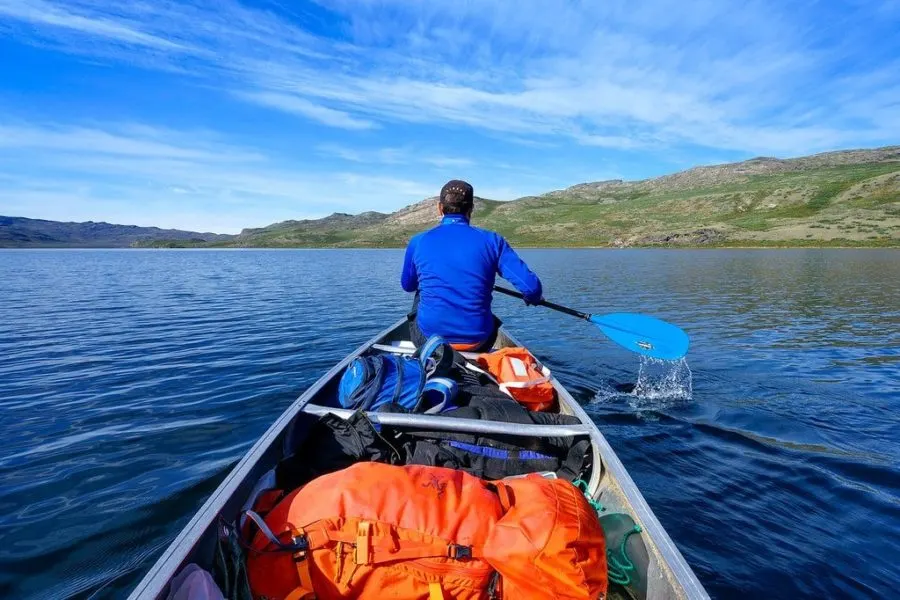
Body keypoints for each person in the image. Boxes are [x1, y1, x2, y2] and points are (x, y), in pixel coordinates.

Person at [401, 179, 543, 351]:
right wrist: (532, 297)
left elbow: (408, 286)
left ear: (440, 208)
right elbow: (532, 288)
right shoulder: (492, 241)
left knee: (420, 291)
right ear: (471, 209)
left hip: (429, 340)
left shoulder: (418, 241)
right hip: (478, 341)